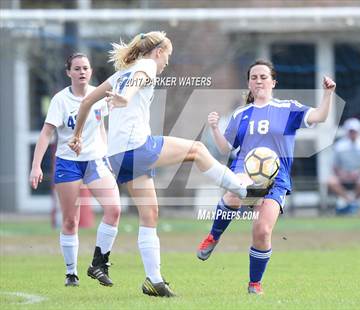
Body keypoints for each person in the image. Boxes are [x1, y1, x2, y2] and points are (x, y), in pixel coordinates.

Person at [68, 31, 257, 297]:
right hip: (136, 146)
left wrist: (76, 136)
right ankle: (242, 189)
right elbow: (138, 80)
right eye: (167, 55)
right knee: (198, 149)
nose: (167, 61)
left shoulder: (121, 73)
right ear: (158, 52)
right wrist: (127, 97)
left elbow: (87, 100)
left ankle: (152, 281)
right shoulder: (146, 65)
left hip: (118, 155)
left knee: (150, 215)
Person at [196, 59, 336, 295]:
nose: (258, 81)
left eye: (263, 77)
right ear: (249, 84)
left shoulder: (288, 108)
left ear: (273, 82)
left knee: (262, 231)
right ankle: (213, 236)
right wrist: (215, 129)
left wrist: (328, 94)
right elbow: (224, 149)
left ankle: (254, 285)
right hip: (244, 171)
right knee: (233, 194)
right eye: (254, 77)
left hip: (276, 179)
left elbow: (320, 116)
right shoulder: (241, 114)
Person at [29, 53, 122, 287]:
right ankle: (71, 273)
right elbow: (46, 133)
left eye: (86, 68)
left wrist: (108, 155)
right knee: (71, 220)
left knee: (114, 210)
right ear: (68, 72)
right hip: (68, 163)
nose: (82, 72)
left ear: (91, 72)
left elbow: (101, 127)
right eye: (77, 68)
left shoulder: (98, 96)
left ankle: (99, 264)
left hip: (96, 161)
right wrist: (36, 166)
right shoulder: (60, 100)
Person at [327, 118, 360, 214]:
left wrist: (359, 172)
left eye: (354, 131)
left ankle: (350, 203)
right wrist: (343, 174)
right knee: (331, 181)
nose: (353, 134)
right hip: (343, 175)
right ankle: (350, 202)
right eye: (351, 131)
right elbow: (334, 165)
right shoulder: (339, 145)